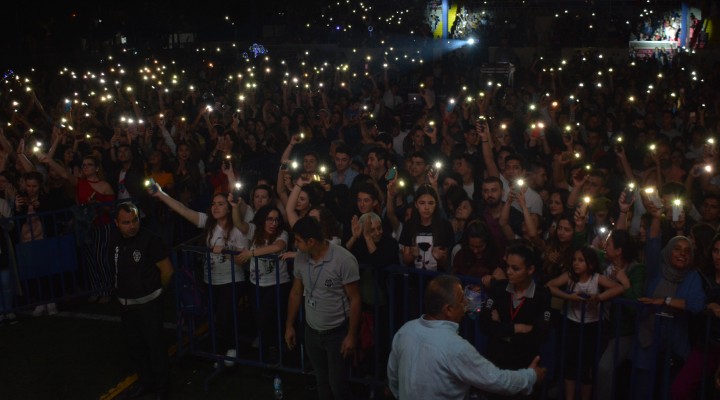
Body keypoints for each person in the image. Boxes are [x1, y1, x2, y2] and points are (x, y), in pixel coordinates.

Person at [387, 274, 545, 400]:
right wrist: (530, 376)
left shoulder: (406, 330)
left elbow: (393, 377)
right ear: (448, 309)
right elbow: (497, 380)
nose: (467, 304)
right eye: (462, 300)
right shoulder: (455, 347)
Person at [284, 216, 361, 400]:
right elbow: (296, 292)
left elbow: (355, 299)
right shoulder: (301, 258)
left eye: (298, 240)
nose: (295, 245)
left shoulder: (343, 259)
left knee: (338, 385)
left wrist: (351, 335)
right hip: (312, 331)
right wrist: (289, 325)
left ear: (311, 241)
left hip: (337, 333)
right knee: (321, 381)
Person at [111, 202, 173, 400]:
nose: (132, 225)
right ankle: (146, 383)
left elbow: (167, 271)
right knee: (135, 347)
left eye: (135, 220)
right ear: (117, 223)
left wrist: (155, 293)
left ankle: (162, 389)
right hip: (127, 304)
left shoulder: (150, 240)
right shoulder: (114, 240)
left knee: (155, 348)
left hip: (148, 305)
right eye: (126, 222)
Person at [545, 246, 625, 400]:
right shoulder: (570, 276)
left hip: (591, 326)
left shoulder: (596, 278)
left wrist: (598, 297)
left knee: (586, 366)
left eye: (581, 260)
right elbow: (550, 285)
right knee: (570, 362)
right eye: (574, 260)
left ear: (591, 264)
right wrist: (569, 297)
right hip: (572, 324)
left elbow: (619, 288)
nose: (576, 263)